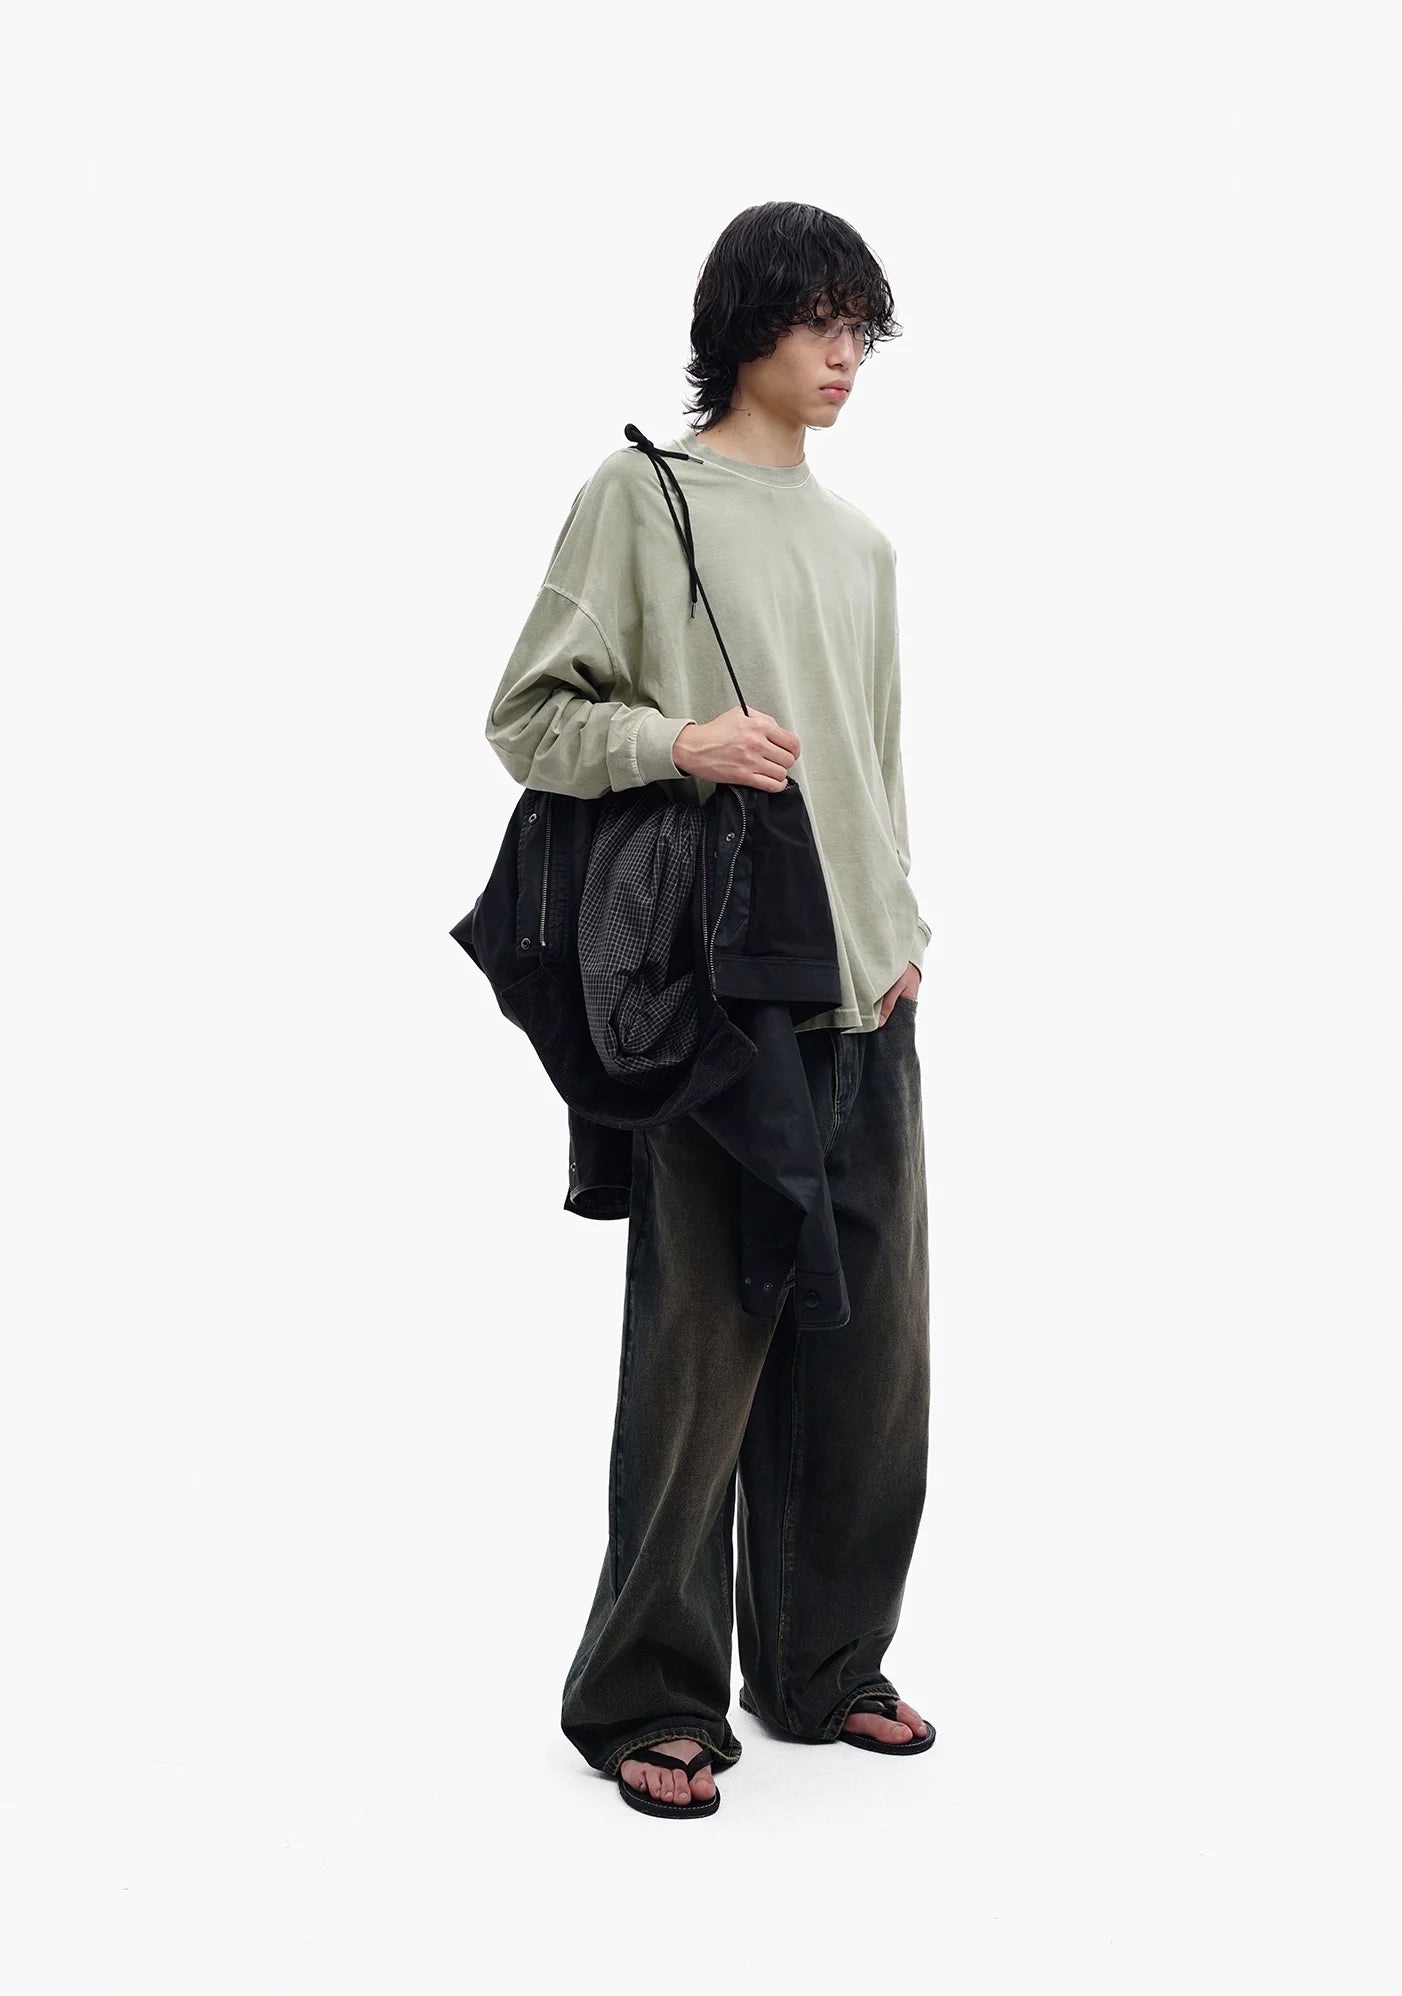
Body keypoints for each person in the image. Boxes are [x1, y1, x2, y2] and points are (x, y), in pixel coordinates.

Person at [484, 201, 935, 1816]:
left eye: (862, 328)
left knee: (870, 1355)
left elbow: (873, 765)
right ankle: (647, 1695)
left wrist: (900, 928)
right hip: (716, 991)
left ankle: (821, 1663)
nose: (845, 355)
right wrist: (678, 741)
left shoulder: (862, 547)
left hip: (864, 991)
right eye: (821, 320)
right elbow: (529, 717)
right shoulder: (643, 499)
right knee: (699, 1361)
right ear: (744, 324)